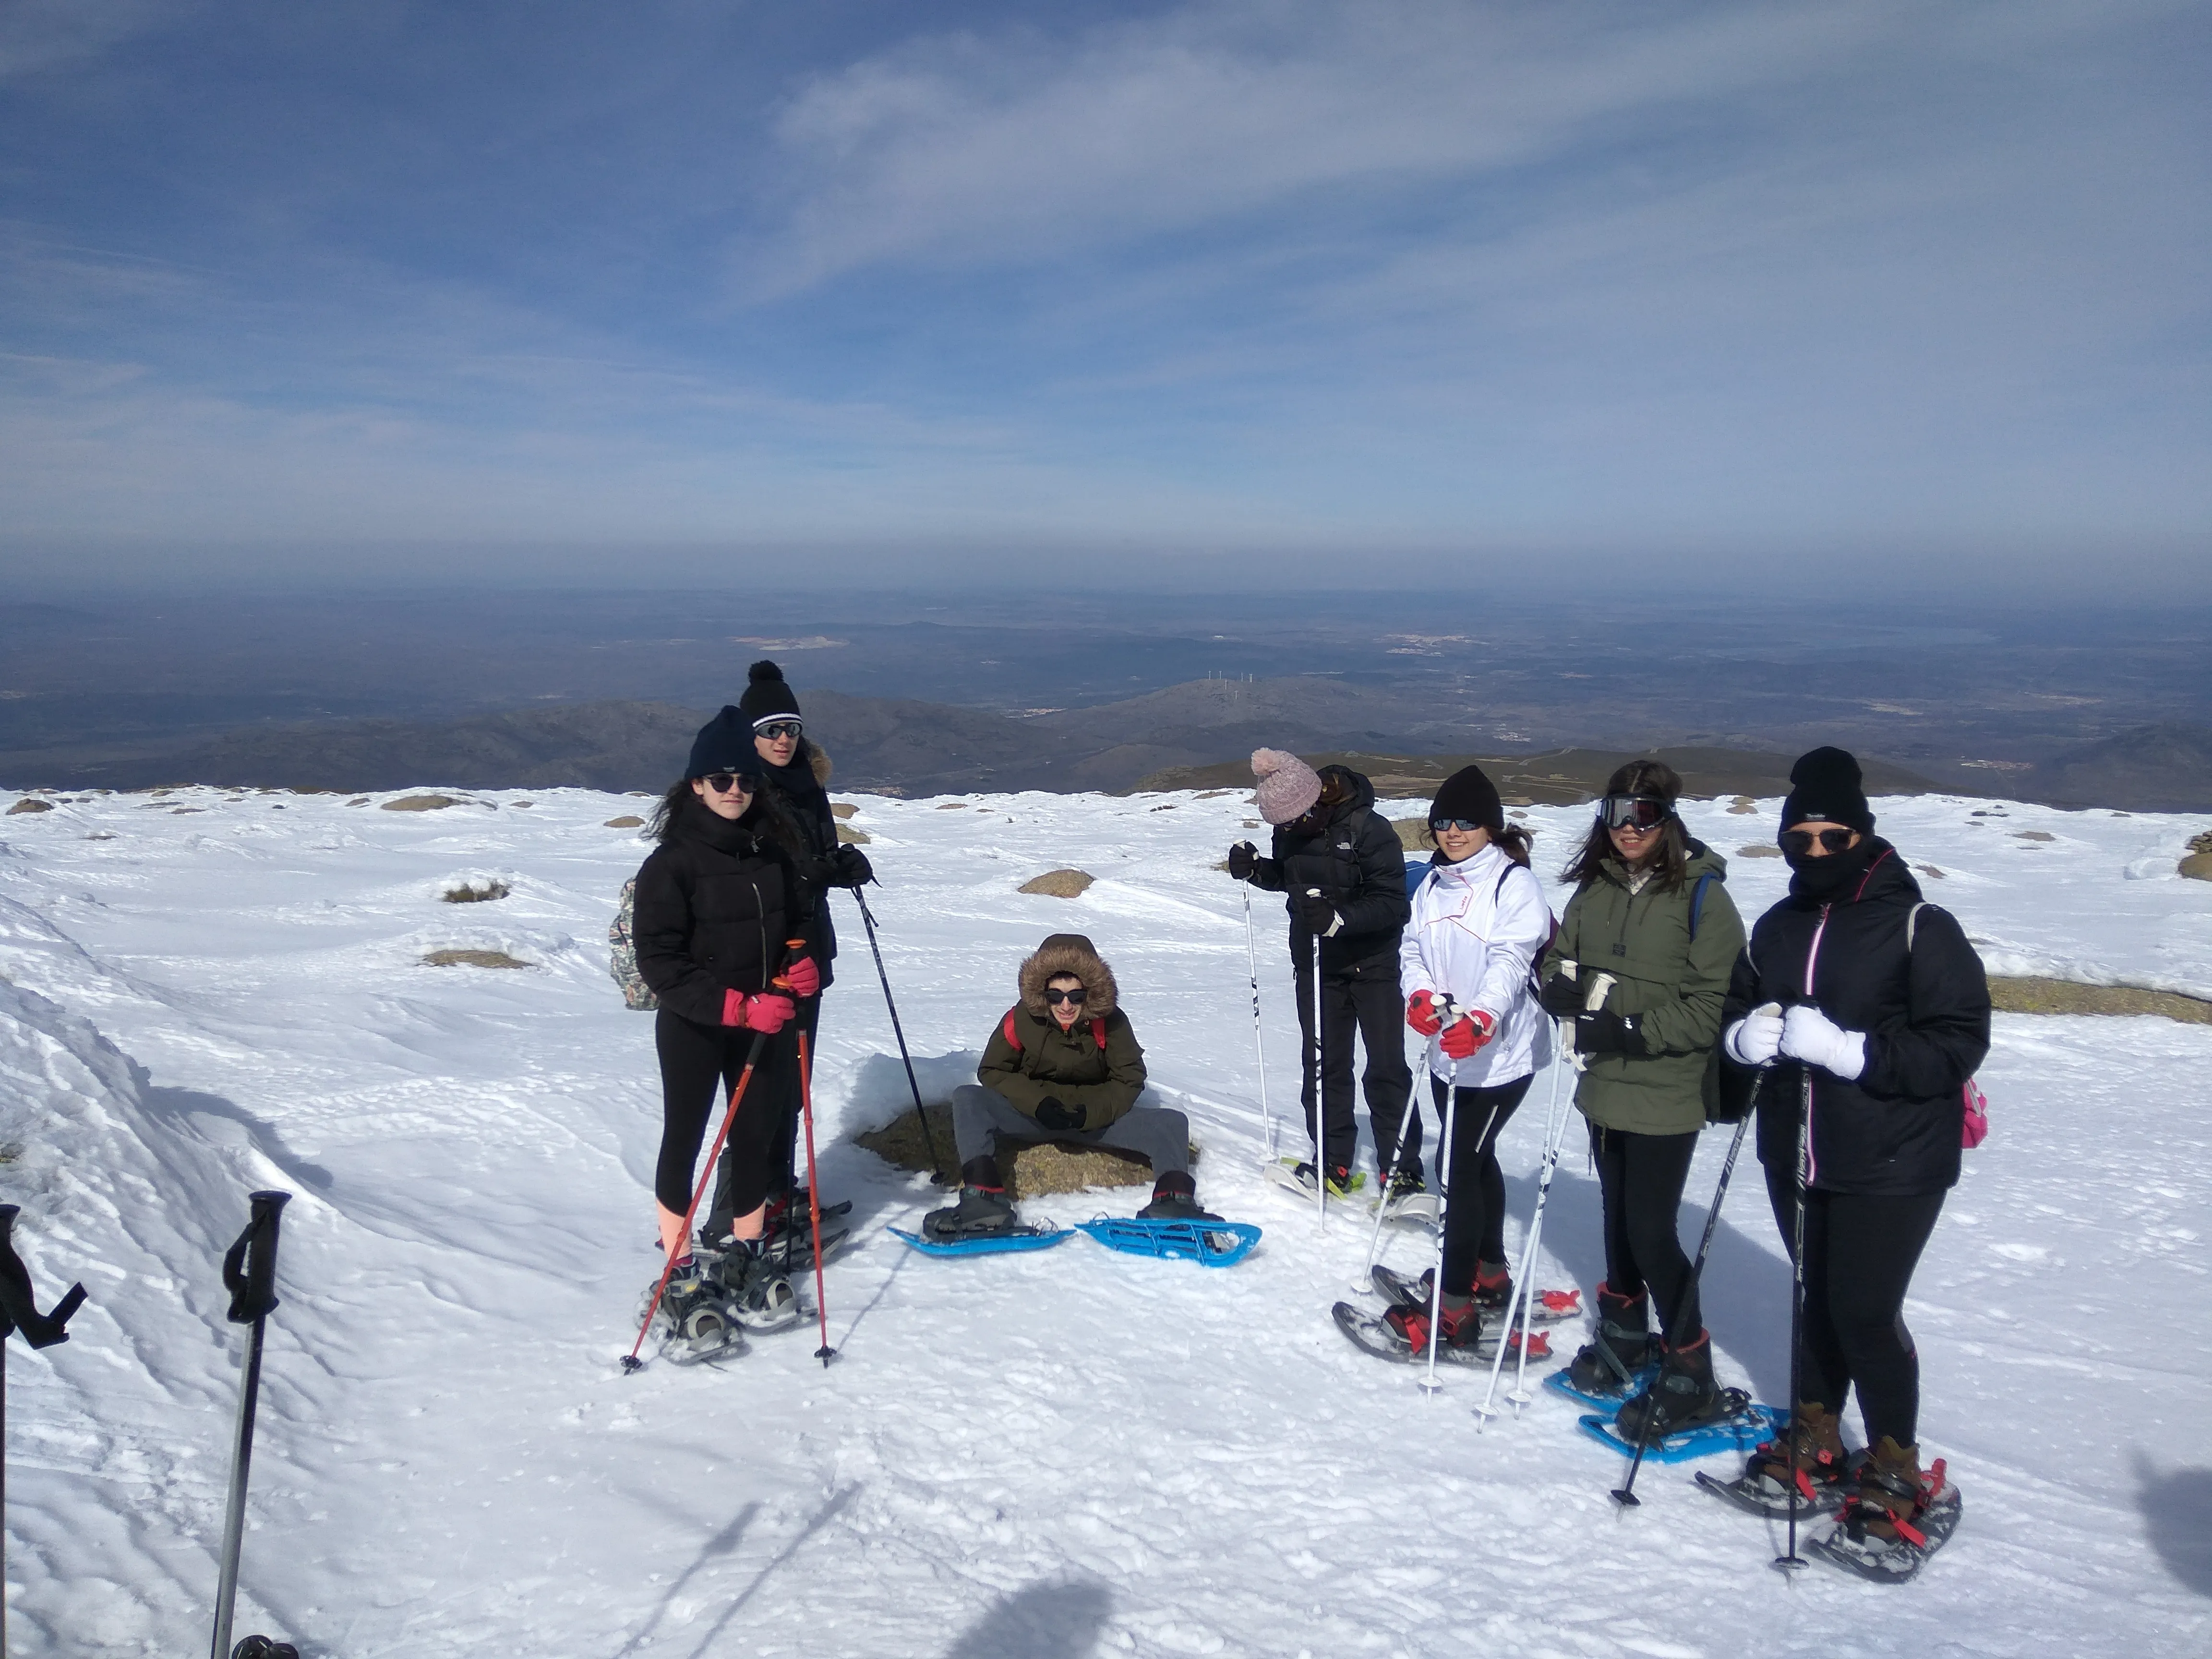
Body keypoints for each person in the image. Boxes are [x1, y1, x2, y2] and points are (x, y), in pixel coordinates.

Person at [1720, 746, 1987, 1559]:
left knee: (1864, 1313)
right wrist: (1741, 1037)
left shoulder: (1917, 927)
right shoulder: (1778, 923)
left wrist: (1850, 1052)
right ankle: (1816, 1434)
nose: (1813, 851)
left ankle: (1898, 1467)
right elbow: (1739, 1001)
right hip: (1794, 1148)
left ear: (1862, 838)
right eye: (1798, 837)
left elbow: (1956, 1044)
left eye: (1831, 837)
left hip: (1894, 1156)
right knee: (1814, 1297)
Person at [1538, 758, 1745, 1439]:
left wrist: (1618, 1024)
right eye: (1618, 814)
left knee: (1652, 1232)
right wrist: (1558, 987)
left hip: (1666, 1087)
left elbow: (1706, 1008)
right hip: (1603, 1084)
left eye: (1646, 816)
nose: (1630, 830)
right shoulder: (1592, 890)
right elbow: (1557, 957)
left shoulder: (1703, 900)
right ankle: (1626, 1339)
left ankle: (1691, 1371)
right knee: (1616, 1220)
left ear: (1668, 820)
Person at [631, 708, 821, 1331]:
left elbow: (795, 922)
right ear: (695, 786)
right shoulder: (671, 865)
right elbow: (660, 962)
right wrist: (740, 1005)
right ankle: (678, 1271)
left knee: (755, 1140)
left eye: (743, 778)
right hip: (695, 1025)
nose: (735, 789)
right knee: (685, 1140)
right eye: (720, 780)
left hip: (762, 1026)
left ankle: (746, 1254)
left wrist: (801, 965)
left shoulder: (771, 852)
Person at [703, 661, 871, 1248]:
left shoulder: (807, 786)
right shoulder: (741, 790)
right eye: (770, 728)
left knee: (791, 1087)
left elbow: (812, 857)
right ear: (750, 734)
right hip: (759, 960)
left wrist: (840, 866)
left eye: (791, 728)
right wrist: (813, 872)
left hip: (808, 956)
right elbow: (747, 869)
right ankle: (731, 1220)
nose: (781, 739)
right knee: (758, 1088)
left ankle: (775, 1195)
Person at [1390, 765, 1553, 1354]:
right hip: (1446, 1054)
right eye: (1443, 822)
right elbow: (1413, 948)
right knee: (1476, 1164)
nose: (1453, 832)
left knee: (1458, 1169)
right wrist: (1419, 996)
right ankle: (1490, 1270)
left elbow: (1512, 960)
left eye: (1466, 822)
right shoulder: (1434, 885)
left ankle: (1455, 1308)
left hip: (1501, 1058)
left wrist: (1482, 1018)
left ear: (1491, 827)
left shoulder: (1514, 886)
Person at [925, 933, 1218, 1238]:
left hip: (1095, 1123)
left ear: (1090, 993)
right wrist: (1037, 1104)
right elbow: (993, 1070)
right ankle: (983, 1201)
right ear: (1042, 992)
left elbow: (1130, 1078)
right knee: (968, 1098)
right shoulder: (1020, 1019)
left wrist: (1089, 1113)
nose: (1066, 1005)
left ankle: (1173, 1204)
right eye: (1056, 995)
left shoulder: (1112, 1022)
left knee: (1172, 1122)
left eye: (1076, 996)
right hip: (1032, 1117)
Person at [1226, 749, 1416, 1198]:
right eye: (1281, 825)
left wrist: (1339, 920)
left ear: (1316, 802)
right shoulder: (1288, 827)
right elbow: (1290, 880)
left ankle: (1404, 1171)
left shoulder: (1370, 830)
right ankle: (1333, 1163)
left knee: (1386, 1068)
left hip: (1373, 964)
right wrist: (1256, 871)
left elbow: (1394, 902)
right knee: (1324, 1064)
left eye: (1294, 821)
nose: (1288, 829)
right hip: (1316, 964)